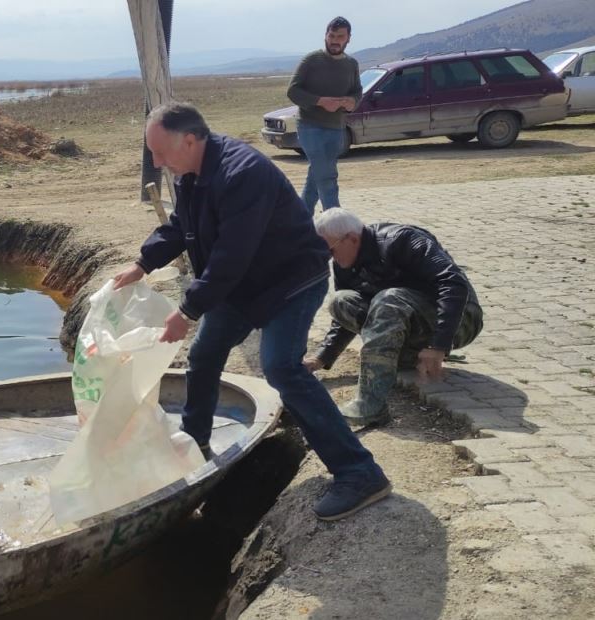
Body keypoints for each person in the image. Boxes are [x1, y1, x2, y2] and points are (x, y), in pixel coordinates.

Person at [113, 102, 390, 521]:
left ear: (189, 141)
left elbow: (230, 256)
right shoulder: (190, 172)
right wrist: (142, 263)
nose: (156, 162)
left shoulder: (242, 174)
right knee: (205, 356)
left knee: (280, 367)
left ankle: (359, 472)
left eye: (160, 152)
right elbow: (180, 227)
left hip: (290, 282)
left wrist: (187, 311)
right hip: (245, 284)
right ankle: (195, 443)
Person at [306, 209, 483, 427]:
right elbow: (344, 320)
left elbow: (454, 283)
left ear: (352, 238)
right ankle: (407, 357)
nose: (329, 258)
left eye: (330, 250)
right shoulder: (345, 262)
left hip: (461, 318)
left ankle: (370, 405)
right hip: (409, 318)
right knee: (341, 301)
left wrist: (439, 345)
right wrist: (321, 358)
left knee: (388, 299)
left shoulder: (402, 240)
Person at [287, 16, 361, 211]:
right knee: (328, 178)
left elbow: (357, 91)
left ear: (348, 39)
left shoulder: (351, 64)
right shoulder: (311, 60)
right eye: (331, 35)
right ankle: (336, 224)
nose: (335, 40)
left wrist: (352, 102)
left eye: (340, 36)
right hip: (310, 126)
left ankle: (300, 222)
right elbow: (293, 91)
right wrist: (320, 101)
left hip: (336, 128)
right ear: (325, 35)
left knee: (316, 178)